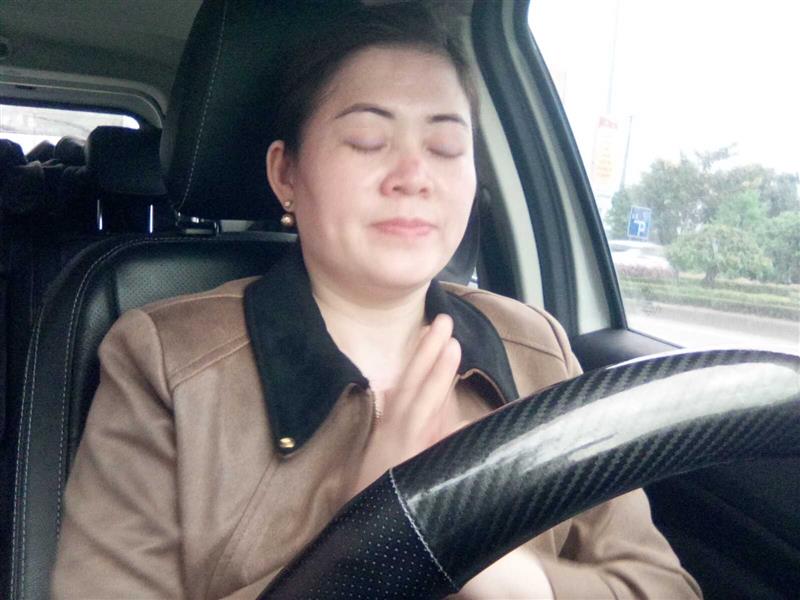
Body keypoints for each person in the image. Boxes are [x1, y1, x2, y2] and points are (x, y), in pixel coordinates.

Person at [52, 4, 701, 599]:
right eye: (367, 140)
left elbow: (664, 587)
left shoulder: (537, 348)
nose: (414, 177)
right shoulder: (165, 362)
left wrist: (502, 571)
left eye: (446, 147)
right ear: (286, 173)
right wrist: (368, 542)